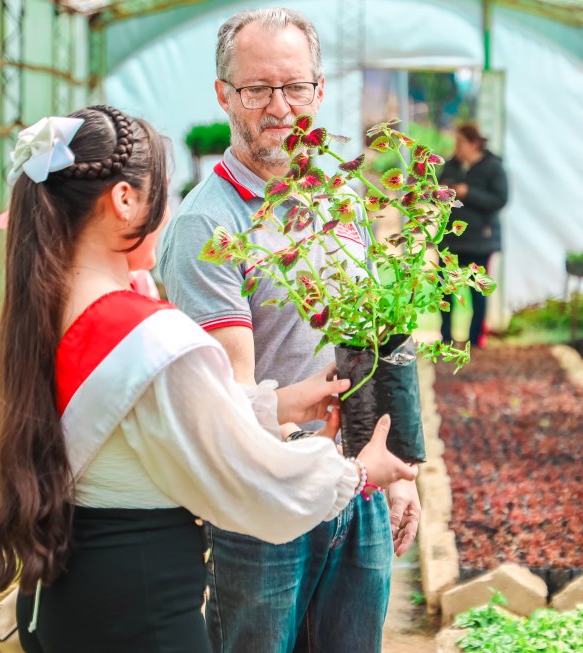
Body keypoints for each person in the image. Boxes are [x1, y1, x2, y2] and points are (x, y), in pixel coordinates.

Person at [0, 105, 416, 653]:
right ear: (124, 201)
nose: (168, 215)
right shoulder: (146, 335)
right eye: (162, 194)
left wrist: (273, 406)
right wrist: (357, 472)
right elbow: (248, 480)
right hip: (141, 611)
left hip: (64, 596)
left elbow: (148, 425)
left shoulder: (47, 314)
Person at [157, 8, 423, 652]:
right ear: (224, 95)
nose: (279, 106)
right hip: (263, 503)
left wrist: (396, 469)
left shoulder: (340, 196)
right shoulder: (208, 226)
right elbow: (234, 400)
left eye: (294, 86)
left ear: (319, 90)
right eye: (257, 89)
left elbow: (372, 338)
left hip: (353, 486)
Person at [439, 122, 509, 347]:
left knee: (477, 291)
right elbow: (437, 190)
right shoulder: (451, 166)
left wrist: (469, 193)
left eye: (460, 142)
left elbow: (500, 199)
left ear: (474, 143)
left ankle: (476, 337)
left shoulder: (493, 167)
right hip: (451, 241)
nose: (456, 147)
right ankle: (446, 336)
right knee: (444, 288)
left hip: (480, 241)